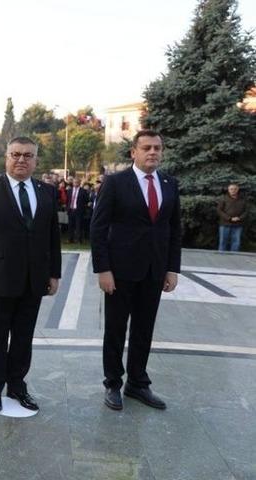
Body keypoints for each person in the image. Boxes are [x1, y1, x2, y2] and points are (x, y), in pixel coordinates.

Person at [0, 136, 61, 413]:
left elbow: (53, 236)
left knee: (23, 336)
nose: (21, 160)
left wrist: (54, 273)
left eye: (28, 155)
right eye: (16, 154)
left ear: (35, 160)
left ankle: (17, 385)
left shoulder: (47, 191)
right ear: (6, 157)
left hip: (34, 279)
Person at [90, 130, 181, 411]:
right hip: (120, 272)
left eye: (157, 148)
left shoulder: (169, 184)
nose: (152, 152)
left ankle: (138, 383)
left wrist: (172, 269)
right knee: (116, 329)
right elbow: (98, 228)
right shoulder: (116, 183)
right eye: (146, 148)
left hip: (154, 271)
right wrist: (103, 269)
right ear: (134, 152)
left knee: (144, 329)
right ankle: (113, 383)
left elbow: (174, 229)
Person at [217, 182, 245, 252]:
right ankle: (221, 256)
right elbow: (219, 210)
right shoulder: (223, 198)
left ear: (237, 190)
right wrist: (229, 218)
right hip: (225, 224)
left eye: (235, 189)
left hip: (238, 224)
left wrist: (239, 218)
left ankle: (234, 257)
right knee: (223, 242)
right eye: (231, 189)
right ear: (228, 190)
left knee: (236, 242)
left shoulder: (243, 199)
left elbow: (246, 211)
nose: (233, 190)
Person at [66, 177, 89, 243]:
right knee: (70, 226)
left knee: (78, 225)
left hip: (79, 210)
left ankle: (79, 239)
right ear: (73, 183)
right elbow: (68, 200)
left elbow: (86, 200)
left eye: (77, 182)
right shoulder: (69, 190)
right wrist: (68, 208)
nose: (75, 183)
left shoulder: (83, 191)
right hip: (71, 210)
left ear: (79, 183)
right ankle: (70, 239)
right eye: (74, 182)